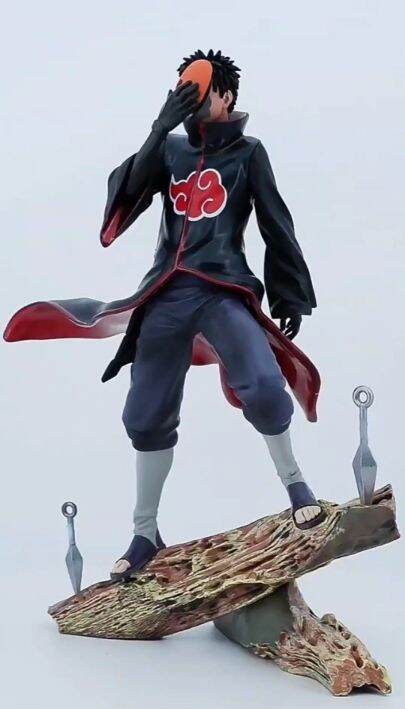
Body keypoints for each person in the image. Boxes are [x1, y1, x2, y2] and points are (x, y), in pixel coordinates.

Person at [3, 49, 325, 582]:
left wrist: (289, 294)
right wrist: (159, 127)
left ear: (226, 96)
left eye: (201, 92)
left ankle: (296, 484)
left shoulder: (248, 153)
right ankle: (145, 531)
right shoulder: (172, 150)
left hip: (221, 288)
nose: (192, 101)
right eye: (184, 91)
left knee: (265, 385)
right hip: (167, 293)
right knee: (145, 413)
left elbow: (275, 220)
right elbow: (128, 191)